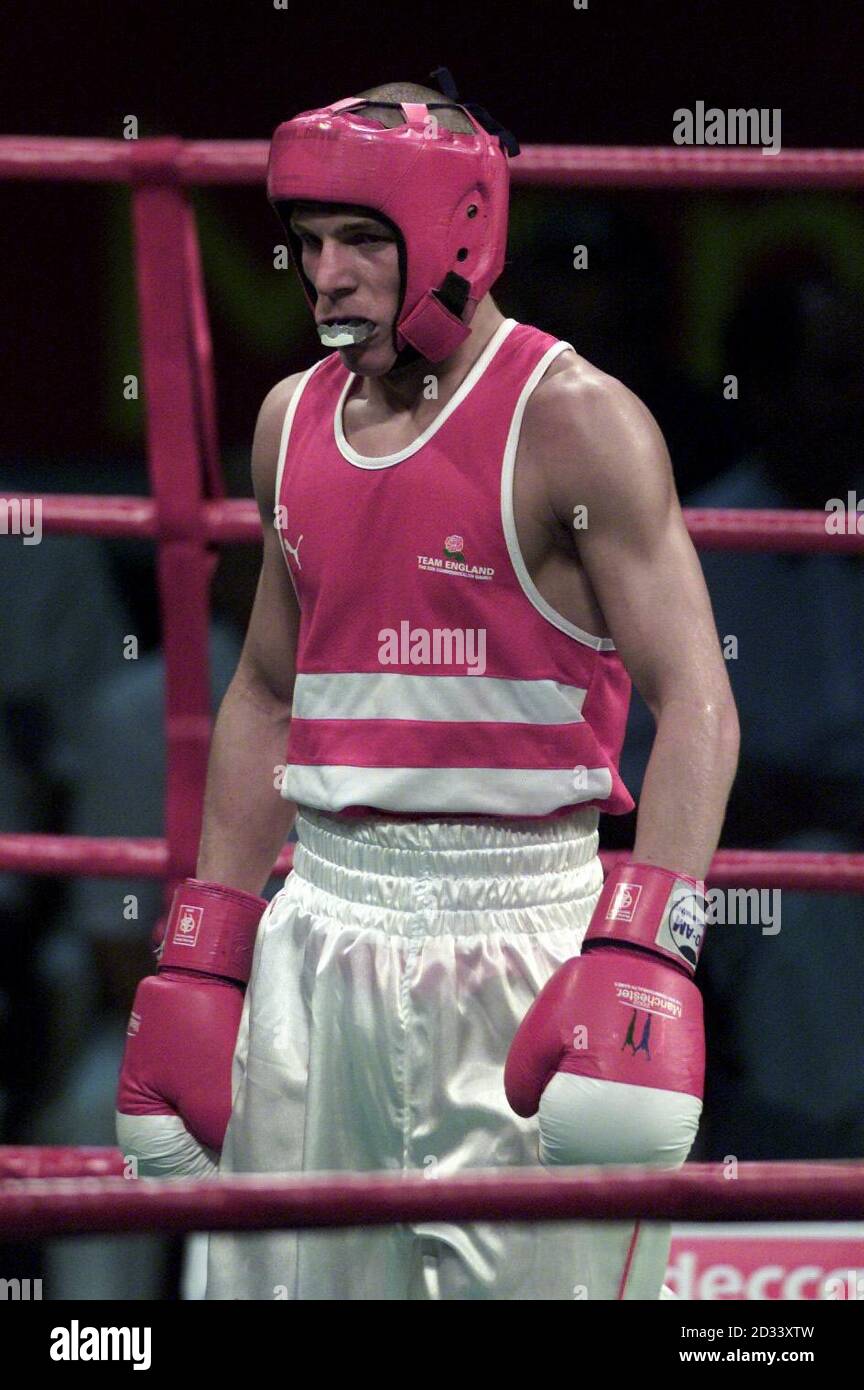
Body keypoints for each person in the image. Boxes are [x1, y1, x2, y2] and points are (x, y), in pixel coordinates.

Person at [116, 72, 739, 1300]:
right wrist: (206, 946)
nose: (324, 277)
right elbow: (263, 690)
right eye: (306, 244)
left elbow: (700, 703)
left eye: (359, 241)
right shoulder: (290, 420)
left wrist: (646, 951)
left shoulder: (578, 423)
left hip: (524, 934)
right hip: (321, 931)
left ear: (458, 230)